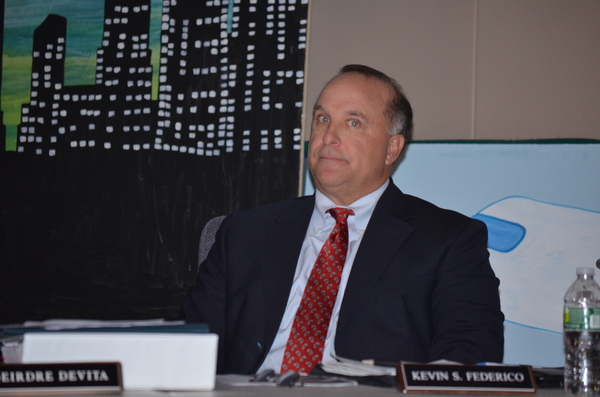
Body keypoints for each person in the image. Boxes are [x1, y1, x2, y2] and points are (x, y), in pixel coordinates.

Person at [182, 64, 504, 375]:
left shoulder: (449, 239)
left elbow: (470, 356)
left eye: (353, 123)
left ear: (392, 148)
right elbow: (187, 350)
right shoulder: (243, 233)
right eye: (322, 119)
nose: (328, 136)